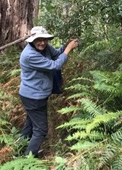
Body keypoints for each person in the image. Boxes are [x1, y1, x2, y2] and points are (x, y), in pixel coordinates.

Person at [19, 26, 79, 157]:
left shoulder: (45, 48)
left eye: (45, 39)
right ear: (32, 40)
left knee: (30, 124)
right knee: (41, 130)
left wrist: (66, 46)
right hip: (33, 97)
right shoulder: (30, 55)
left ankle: (17, 149)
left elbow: (57, 54)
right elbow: (55, 65)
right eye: (38, 40)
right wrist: (68, 50)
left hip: (36, 95)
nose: (42, 42)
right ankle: (27, 159)